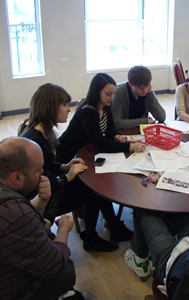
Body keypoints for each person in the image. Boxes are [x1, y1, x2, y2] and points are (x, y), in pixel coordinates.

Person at [23, 83, 133, 253]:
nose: (68, 109)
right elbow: (37, 184)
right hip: (43, 200)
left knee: (93, 181)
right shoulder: (35, 142)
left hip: (49, 184)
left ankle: (109, 228)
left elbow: (45, 164)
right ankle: (93, 238)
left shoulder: (42, 133)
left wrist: (63, 166)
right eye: (64, 105)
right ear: (50, 108)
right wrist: (66, 177)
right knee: (93, 188)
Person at [0, 137, 77, 299]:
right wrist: (63, 230)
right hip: (0, 291)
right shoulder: (12, 214)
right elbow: (54, 264)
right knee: (66, 270)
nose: (42, 173)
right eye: (38, 170)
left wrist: (43, 199)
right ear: (17, 178)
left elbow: (23, 222)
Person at [56, 73, 146, 163]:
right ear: (96, 92)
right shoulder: (88, 112)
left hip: (85, 148)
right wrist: (130, 147)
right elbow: (100, 143)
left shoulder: (105, 105)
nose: (112, 97)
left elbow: (110, 127)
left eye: (113, 93)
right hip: (68, 153)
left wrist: (115, 135)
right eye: (108, 94)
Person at [111, 65, 166, 129]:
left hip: (141, 131)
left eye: (148, 86)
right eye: (141, 88)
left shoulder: (148, 92)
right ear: (130, 84)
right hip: (124, 132)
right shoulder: (119, 92)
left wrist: (150, 95)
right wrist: (145, 120)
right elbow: (116, 123)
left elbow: (162, 117)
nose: (145, 91)